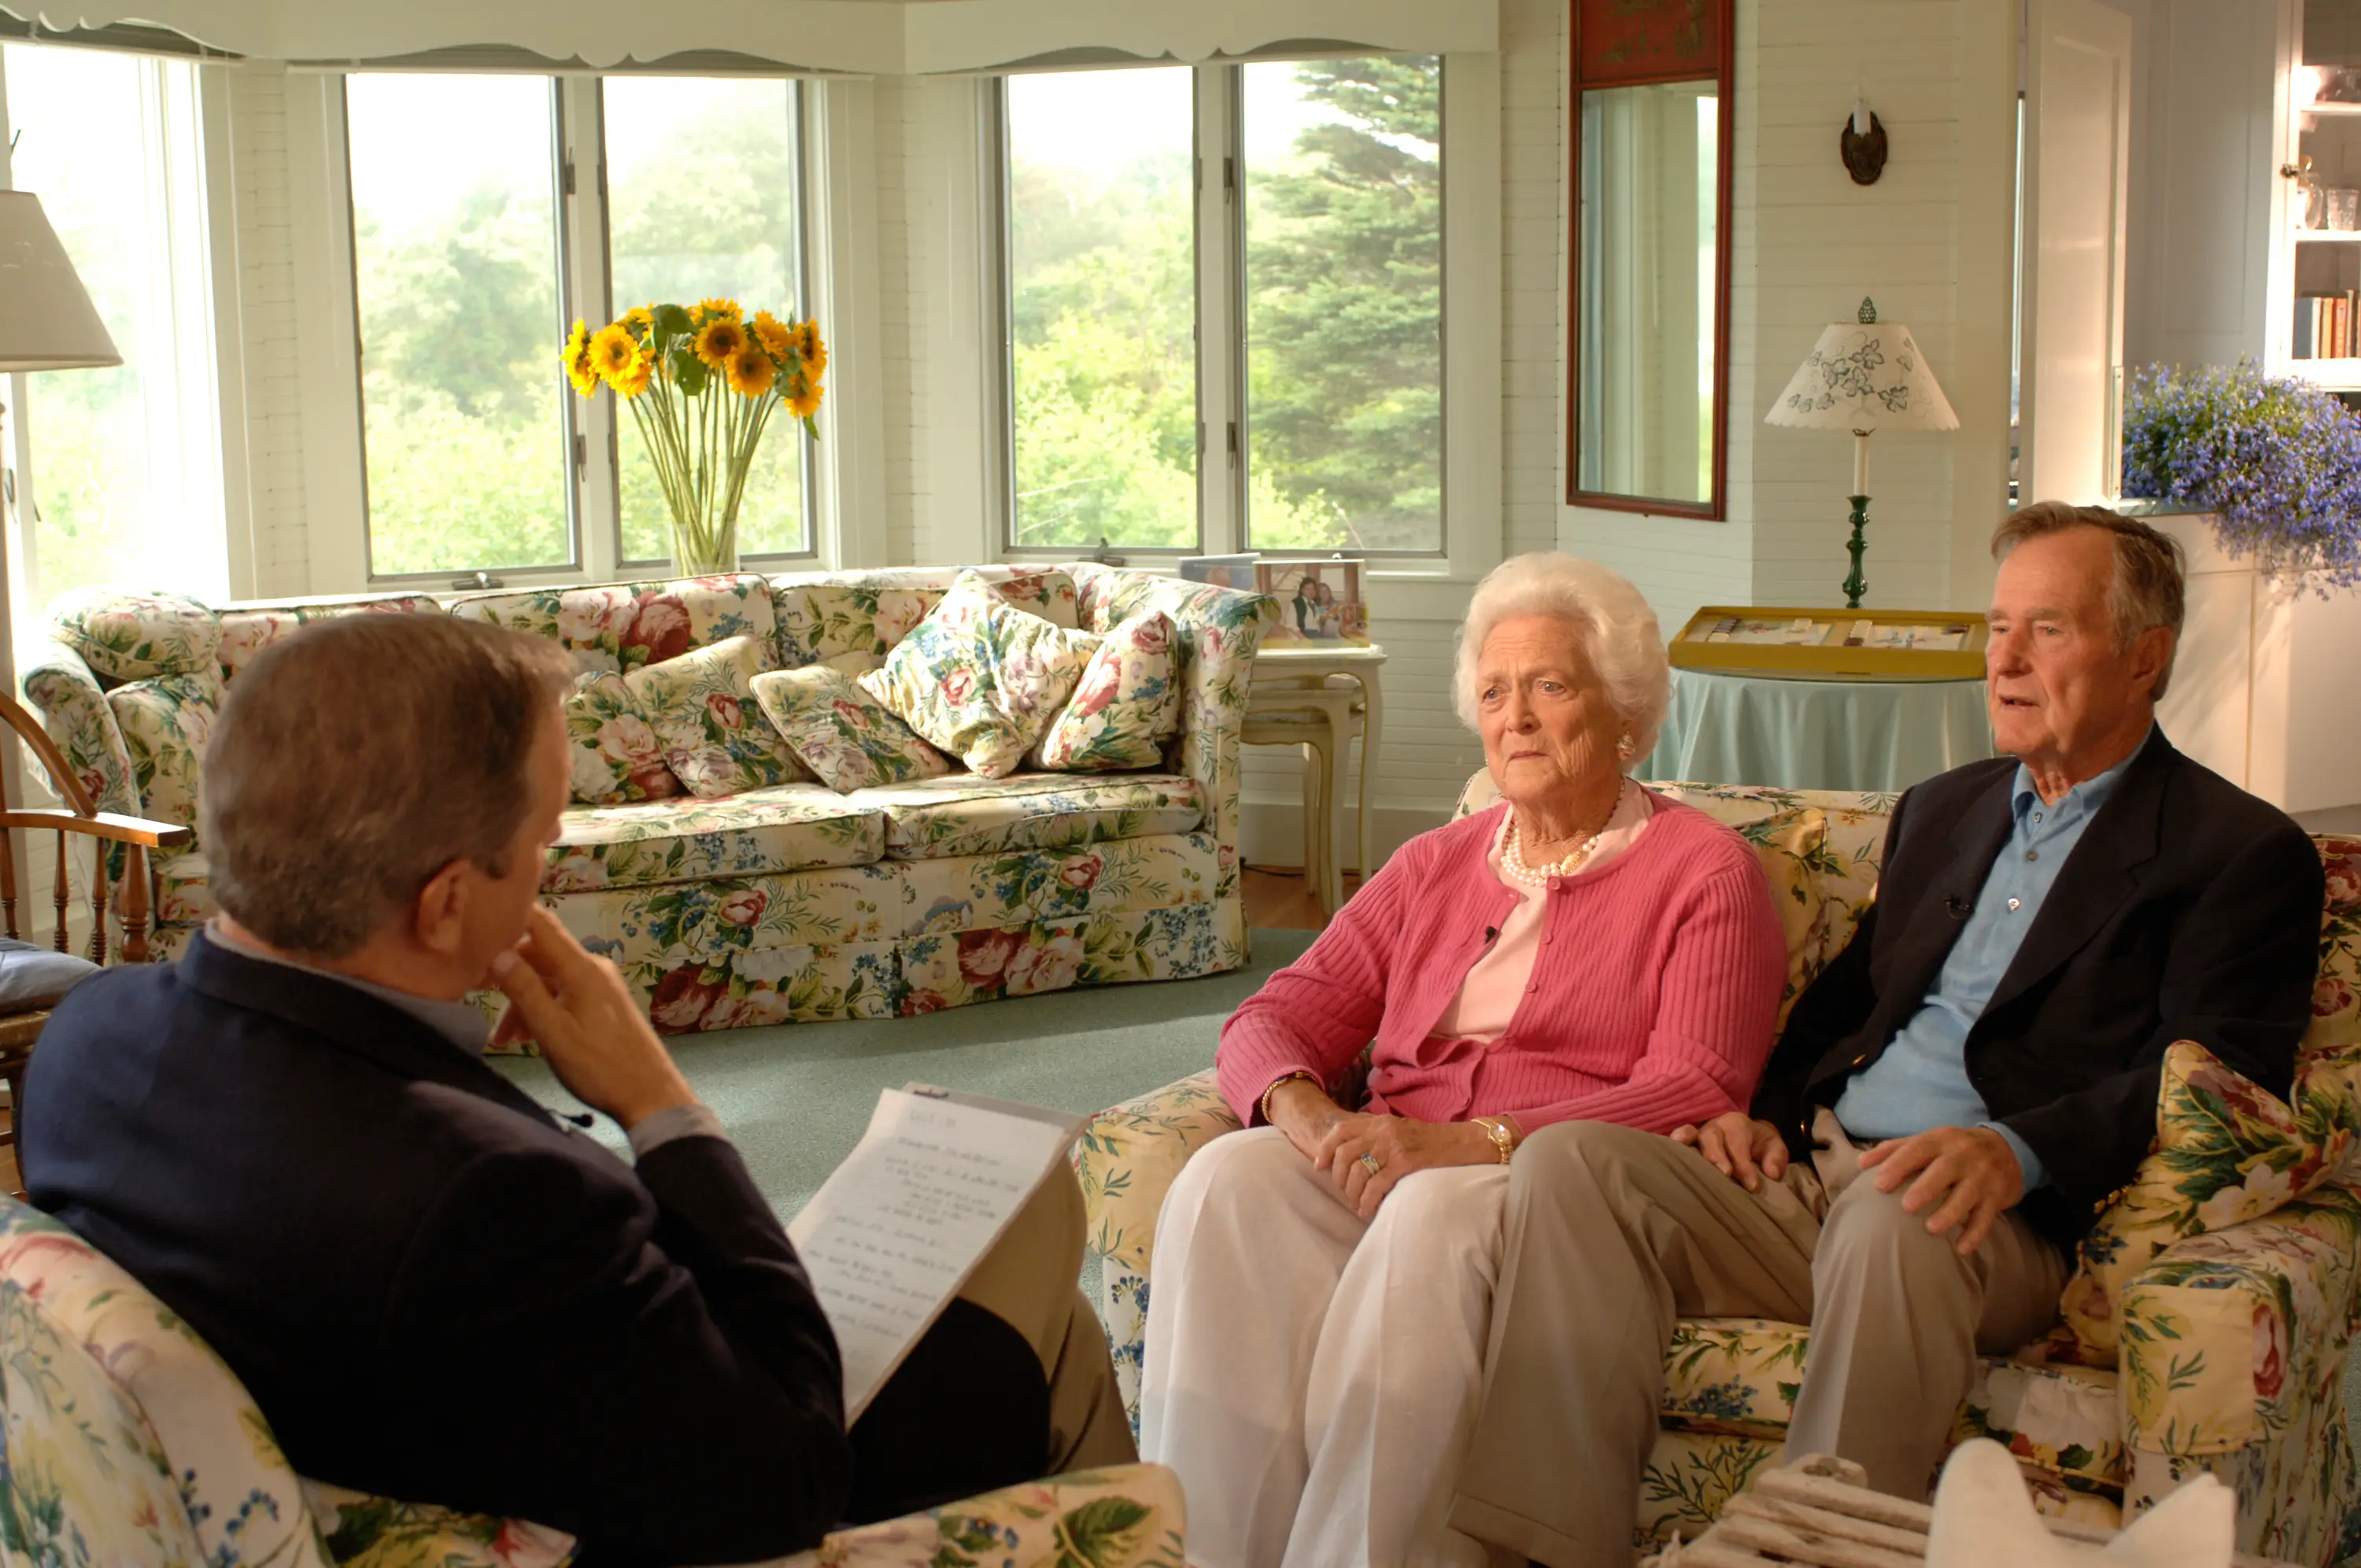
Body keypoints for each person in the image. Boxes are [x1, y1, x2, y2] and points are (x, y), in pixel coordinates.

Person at [21, 614, 1133, 1567]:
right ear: (447, 902)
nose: (548, 870)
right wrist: (662, 1108)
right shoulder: (492, 1198)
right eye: (544, 842)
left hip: (471, 1421)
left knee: (1049, 1325)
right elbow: (790, 1483)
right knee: (1032, 1231)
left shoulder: (88, 1041)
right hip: (719, 1508)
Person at [1445, 504, 2326, 1568]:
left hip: (1996, 1215)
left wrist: (2018, 1147)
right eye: (1996, 627)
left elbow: (2219, 1073)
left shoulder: (2238, 851)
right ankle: (1545, 1551)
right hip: (1816, 1179)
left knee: (1896, 1217)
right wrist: (1759, 1114)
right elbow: (1840, 1007)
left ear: (2146, 658)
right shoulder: (1942, 811)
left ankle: (1798, 1556)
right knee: (1577, 1163)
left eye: (2046, 630)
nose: (2001, 659)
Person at [1140, 553, 1789, 1568]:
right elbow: (1275, 1016)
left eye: (1550, 686)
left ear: (1624, 711)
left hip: (1528, 1178)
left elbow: (1698, 1080)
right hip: (1391, 1151)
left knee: (1433, 1212)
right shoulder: (1435, 864)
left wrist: (1468, 1142)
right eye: (1495, 691)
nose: (1516, 716)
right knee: (1226, 1177)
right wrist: (1309, 1120)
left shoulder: (1704, 870)